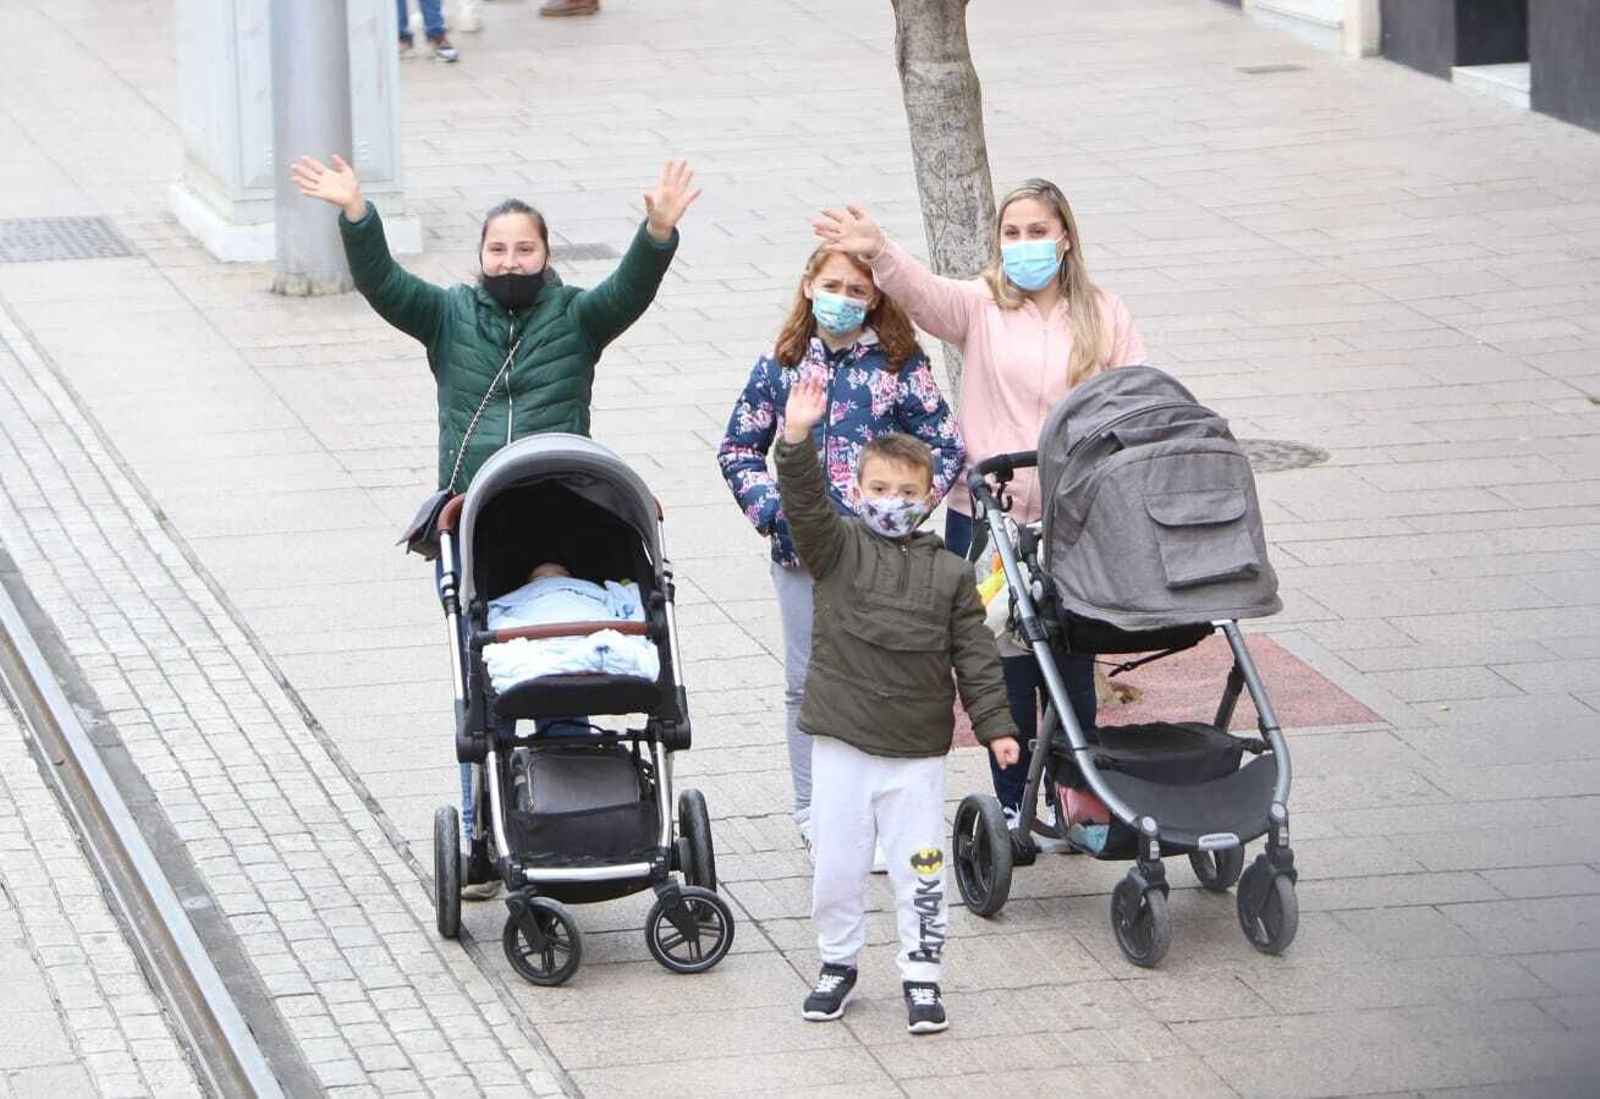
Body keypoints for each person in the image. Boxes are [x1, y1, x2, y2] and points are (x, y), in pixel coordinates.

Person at [291, 153, 699, 897]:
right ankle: (485, 826)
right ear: (480, 257)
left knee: (563, 642)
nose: (511, 260)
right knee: (481, 668)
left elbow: (630, 289)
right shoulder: (448, 316)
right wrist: (357, 213)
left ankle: (576, 784)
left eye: (526, 248)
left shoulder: (576, 317)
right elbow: (383, 284)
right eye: (498, 249)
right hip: (479, 519)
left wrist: (656, 231)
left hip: (564, 511)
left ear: (546, 256)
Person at [813, 180, 1147, 832]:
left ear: (1066, 237)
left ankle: (1079, 800)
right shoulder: (982, 307)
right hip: (989, 515)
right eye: (1012, 233)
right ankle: (1017, 802)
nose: (1023, 245)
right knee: (1003, 667)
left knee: (1074, 662)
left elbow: (1135, 396)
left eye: (1037, 231)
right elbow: (924, 293)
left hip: (1074, 520)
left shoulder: (1105, 313)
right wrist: (879, 251)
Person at [775, 376, 1020, 1036]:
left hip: (915, 751)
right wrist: (796, 437)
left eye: (908, 492)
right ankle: (837, 962)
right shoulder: (836, 548)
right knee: (836, 866)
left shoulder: (948, 573)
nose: (892, 502)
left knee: (923, 870)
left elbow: (975, 654)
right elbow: (801, 502)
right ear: (857, 492)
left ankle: (922, 973)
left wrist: (996, 726)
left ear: (930, 497)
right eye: (879, 490)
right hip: (842, 743)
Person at [717, 245, 963, 858]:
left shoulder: (899, 365)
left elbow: (946, 442)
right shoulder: (780, 366)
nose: (844, 300)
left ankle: (882, 811)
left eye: (858, 290)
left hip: (878, 556)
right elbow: (738, 449)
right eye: (833, 286)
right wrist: (776, 515)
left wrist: (905, 509)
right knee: (807, 681)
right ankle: (814, 809)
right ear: (807, 286)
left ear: (876, 296)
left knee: (881, 673)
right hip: (802, 555)